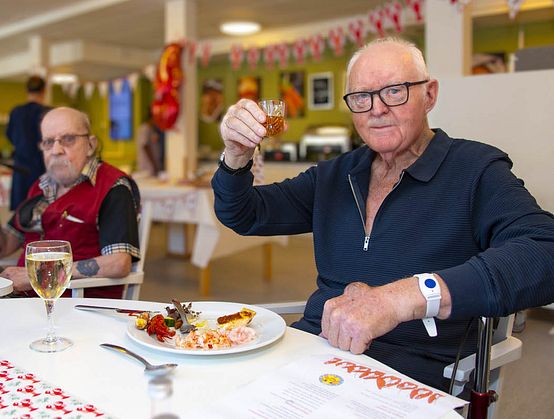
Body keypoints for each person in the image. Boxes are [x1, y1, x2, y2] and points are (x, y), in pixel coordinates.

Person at [212, 37, 554, 391]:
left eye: (395, 91)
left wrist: (404, 298)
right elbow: (243, 213)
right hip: (313, 354)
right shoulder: (335, 174)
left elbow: (546, 251)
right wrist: (236, 156)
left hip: (410, 377)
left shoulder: (476, 170)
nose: (376, 109)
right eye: (361, 97)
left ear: (430, 95)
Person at [0, 107, 140, 299]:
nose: (56, 150)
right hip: (22, 301)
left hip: (77, 305)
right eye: (48, 142)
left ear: (90, 145)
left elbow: (118, 263)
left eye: (68, 139)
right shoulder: (40, 187)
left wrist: (35, 275)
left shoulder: (112, 187)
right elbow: (0, 250)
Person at [6, 75, 51, 210]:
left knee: (20, 211)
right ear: (44, 91)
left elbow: (9, 135)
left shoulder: (16, 112)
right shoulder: (47, 112)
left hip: (20, 167)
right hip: (41, 167)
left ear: (27, 91)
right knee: (40, 209)